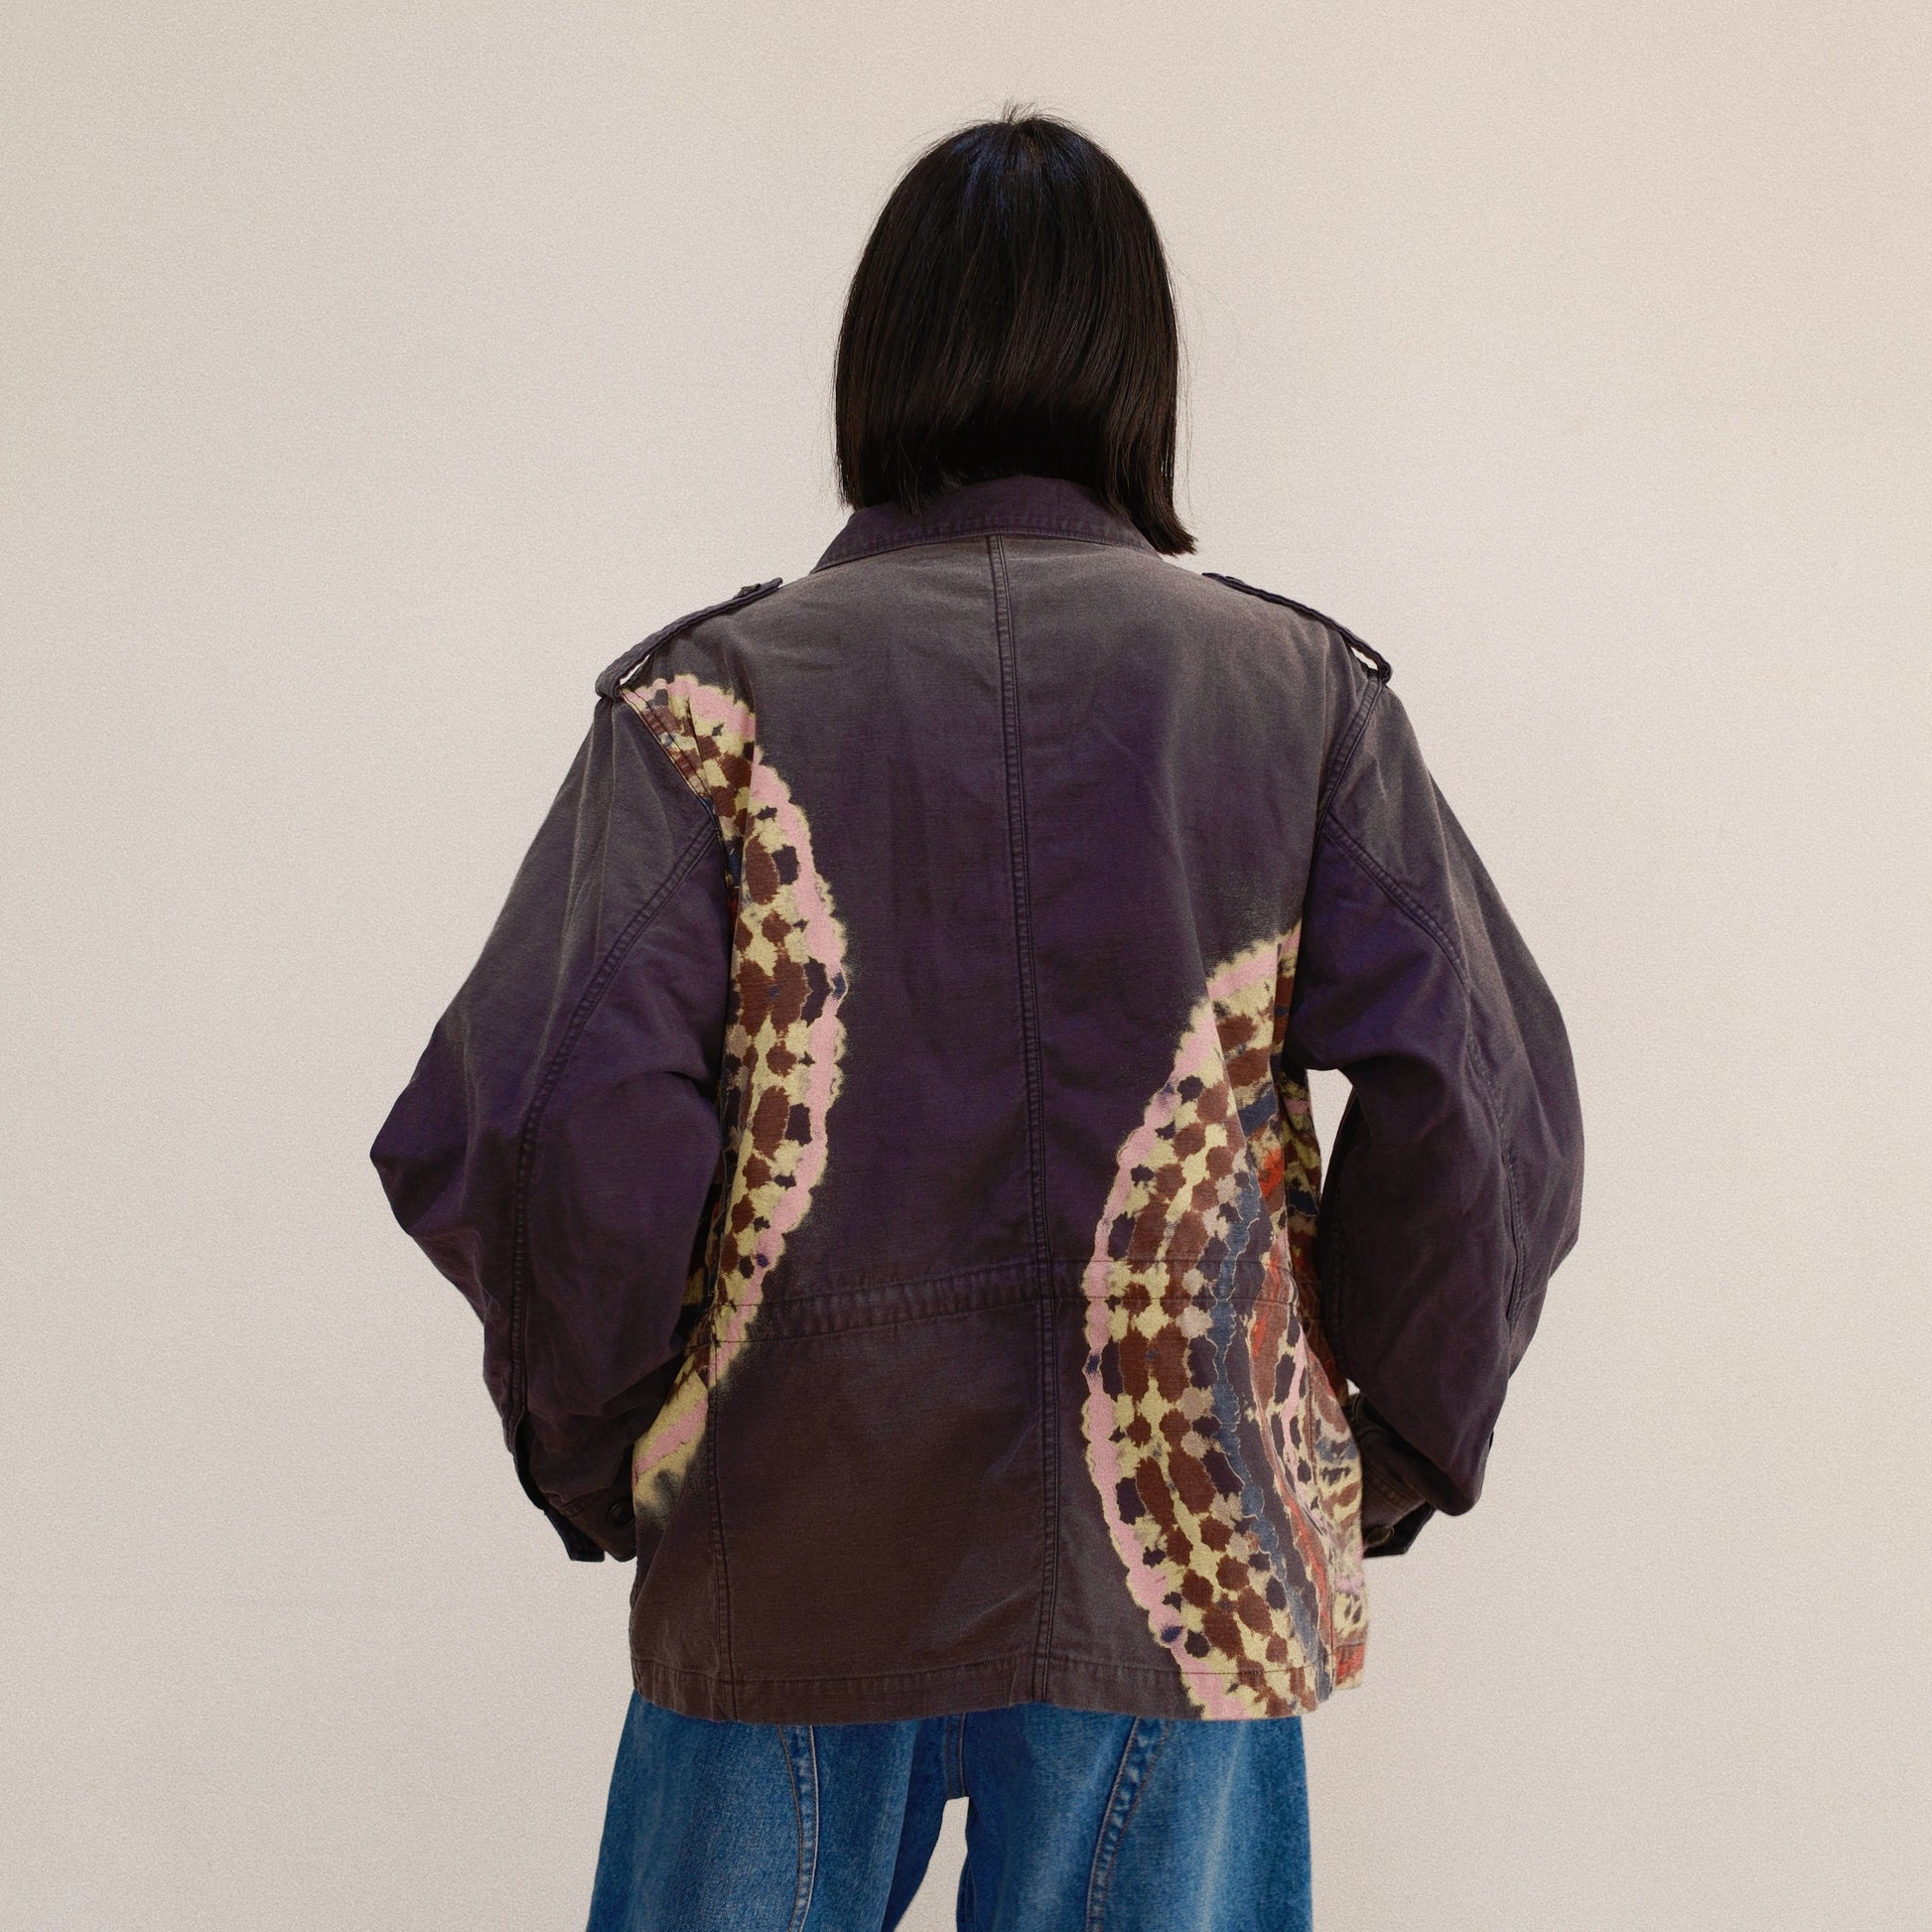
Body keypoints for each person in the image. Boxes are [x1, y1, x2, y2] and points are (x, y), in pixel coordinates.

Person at [371, 108, 1584, 1932]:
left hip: (787, 1526)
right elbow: (1485, 1118)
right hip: (1180, 1566)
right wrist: (1369, 1447)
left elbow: (537, 1119)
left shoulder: (707, 704)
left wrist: (616, 1445)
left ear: (878, 365)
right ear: (1138, 376)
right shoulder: (1298, 697)